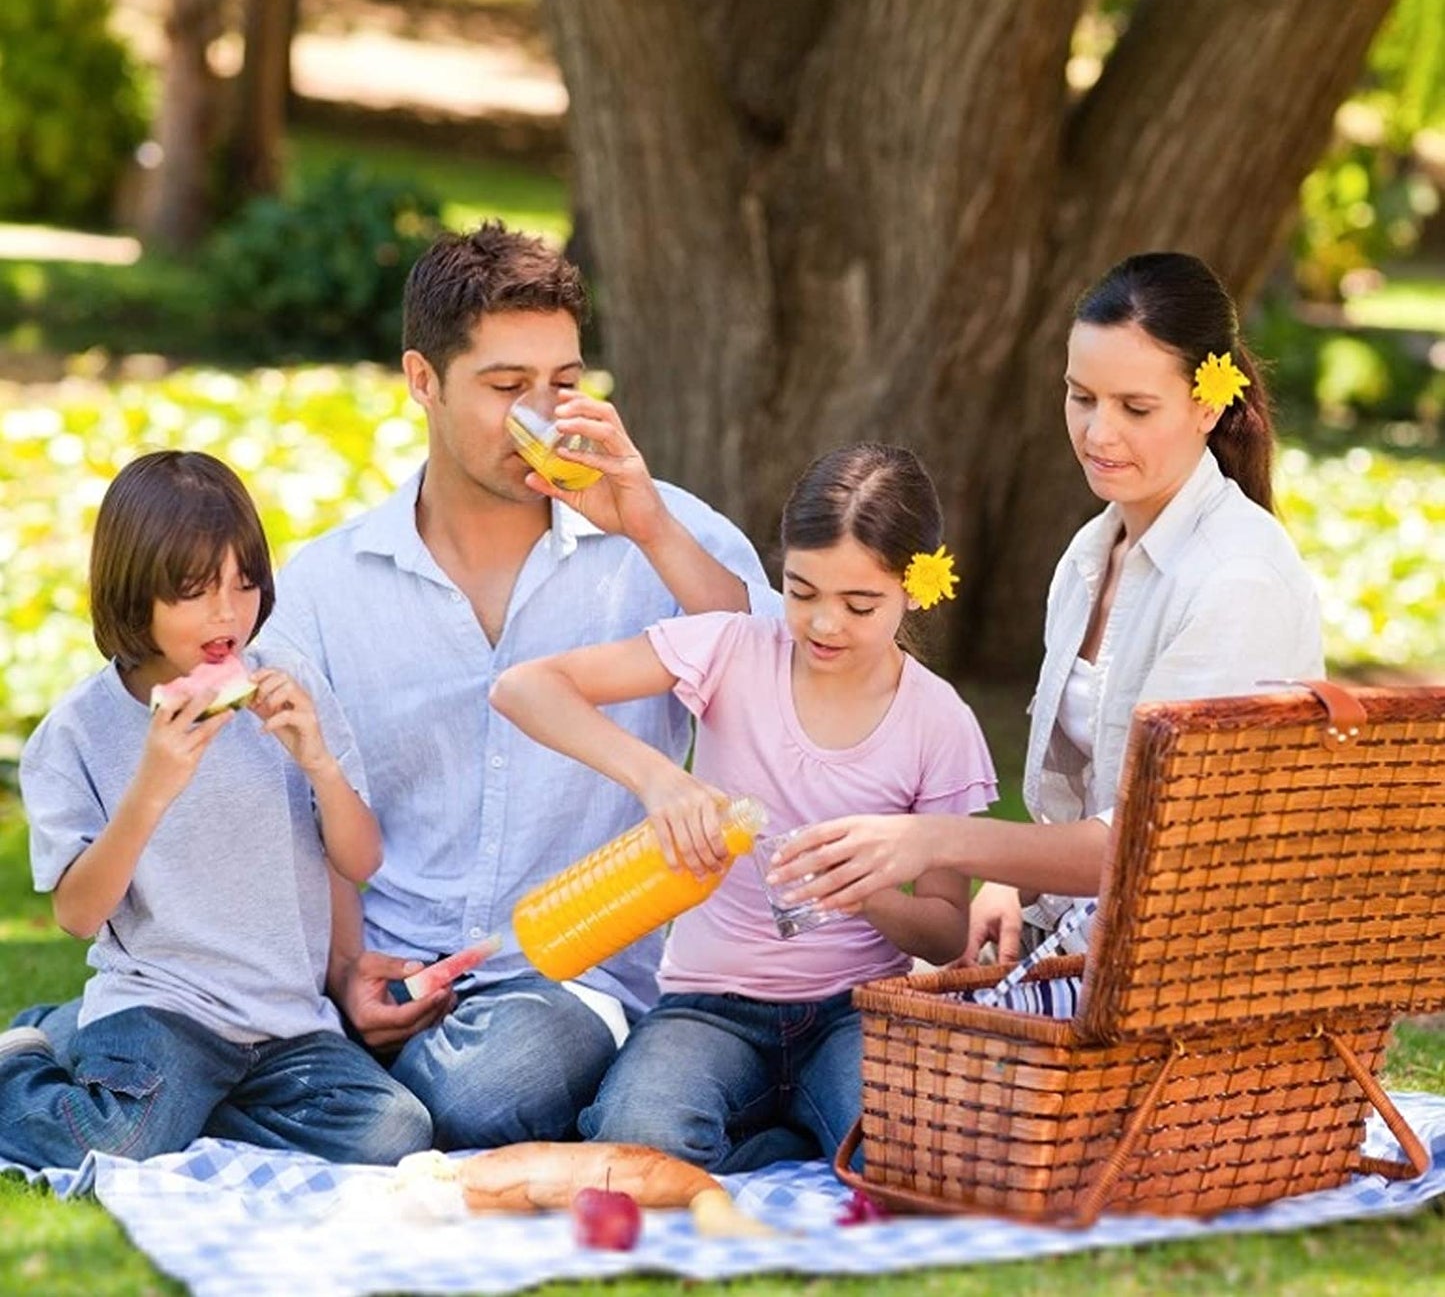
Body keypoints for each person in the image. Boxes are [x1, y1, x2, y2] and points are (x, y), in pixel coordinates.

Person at [264, 222, 777, 1150]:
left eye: (566, 384)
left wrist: (649, 527)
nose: (544, 418)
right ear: (422, 378)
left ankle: (362, 1101)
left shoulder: (664, 536)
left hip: (574, 974)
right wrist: (344, 969)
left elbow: (789, 678)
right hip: (394, 960)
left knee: (485, 1093)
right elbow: (298, 802)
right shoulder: (325, 585)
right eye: (507, 388)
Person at [768, 251, 1325, 976]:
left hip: (1192, 970)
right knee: (845, 996)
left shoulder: (1236, 579)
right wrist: (1010, 879)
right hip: (1091, 931)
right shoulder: (1090, 555)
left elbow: (1148, 840)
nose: (1098, 433)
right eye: (1081, 396)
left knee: (883, 1032)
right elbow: (1083, 807)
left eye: (1135, 407)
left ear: (1208, 403)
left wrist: (931, 840)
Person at [489, 442, 997, 1171]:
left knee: (916, 1153)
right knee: (641, 1139)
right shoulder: (733, 649)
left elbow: (948, 933)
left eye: (859, 604)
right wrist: (659, 779)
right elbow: (522, 687)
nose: (824, 624)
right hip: (709, 1005)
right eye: (801, 591)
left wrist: (871, 892)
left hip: (855, 1011)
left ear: (915, 589)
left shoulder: (937, 721)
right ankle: (786, 1139)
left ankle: (776, 1137)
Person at [0, 452, 432, 1170]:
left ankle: (151, 1091)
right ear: (134, 595)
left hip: (287, 1022)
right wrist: (152, 787)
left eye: (245, 581)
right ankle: (21, 1064)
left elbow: (360, 860)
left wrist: (317, 759)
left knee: (391, 1131)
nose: (229, 612)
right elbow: (79, 913)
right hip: (164, 1008)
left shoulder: (289, 681)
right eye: (195, 591)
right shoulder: (77, 731)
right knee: (114, 1142)